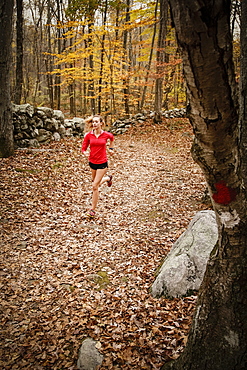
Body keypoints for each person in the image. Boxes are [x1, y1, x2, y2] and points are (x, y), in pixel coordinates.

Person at [82, 114, 114, 218]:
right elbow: (84, 147)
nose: (94, 123)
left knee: (94, 186)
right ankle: (108, 178)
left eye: (96, 122)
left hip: (102, 162)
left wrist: (111, 149)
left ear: (101, 123)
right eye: (93, 122)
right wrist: (84, 152)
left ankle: (92, 210)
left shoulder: (106, 135)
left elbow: (112, 138)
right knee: (96, 183)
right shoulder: (88, 135)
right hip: (92, 162)